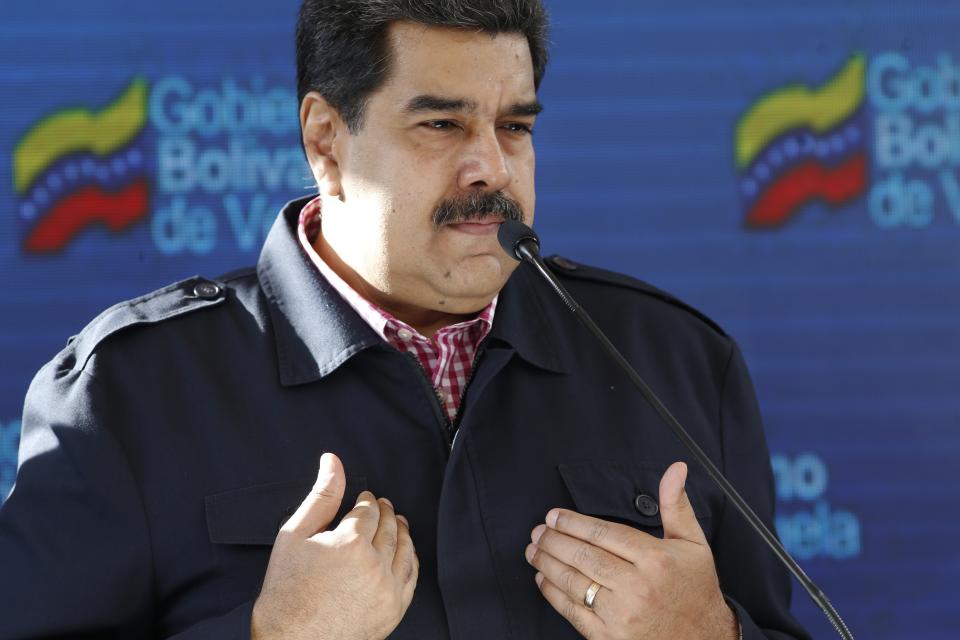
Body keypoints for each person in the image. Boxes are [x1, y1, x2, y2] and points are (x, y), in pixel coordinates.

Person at [0, 1, 812, 638]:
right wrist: (270, 636)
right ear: (326, 141)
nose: (491, 166)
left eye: (515, 127)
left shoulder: (678, 364)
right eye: (441, 124)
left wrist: (710, 635)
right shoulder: (129, 392)